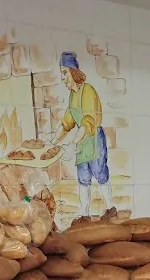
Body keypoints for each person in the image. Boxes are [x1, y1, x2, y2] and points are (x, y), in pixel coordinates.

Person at [52, 51, 114, 218]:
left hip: (93, 139)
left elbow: (88, 122)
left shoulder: (87, 91)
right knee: (83, 178)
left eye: (64, 73)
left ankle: (111, 208)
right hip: (81, 141)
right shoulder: (73, 96)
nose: (62, 78)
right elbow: (67, 123)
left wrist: (72, 145)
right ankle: (84, 215)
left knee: (100, 173)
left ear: (73, 72)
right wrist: (51, 143)